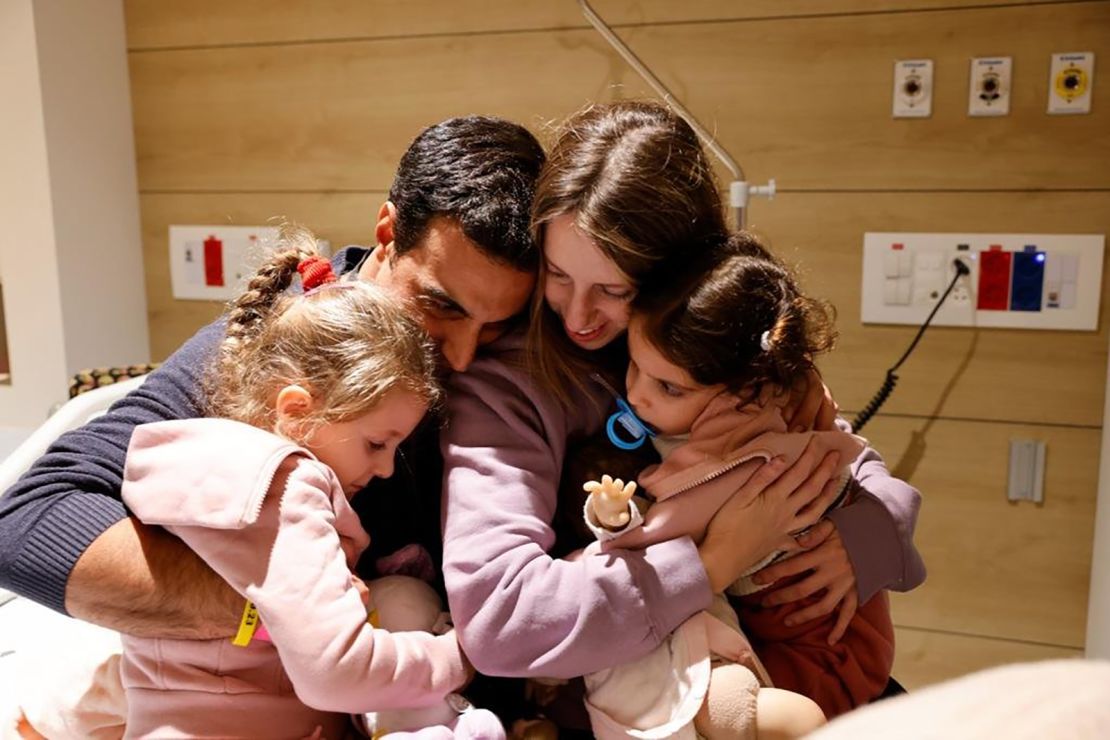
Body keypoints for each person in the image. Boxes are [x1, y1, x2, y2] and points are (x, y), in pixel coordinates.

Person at [0, 116, 544, 734]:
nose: (463, 358)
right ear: (388, 233)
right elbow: (28, 523)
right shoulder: (286, 346)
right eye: (440, 305)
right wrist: (278, 610)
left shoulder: (530, 356)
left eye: (499, 325)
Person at [439, 101, 925, 733]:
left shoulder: (717, 350)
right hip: (657, 697)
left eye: (614, 290)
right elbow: (501, 621)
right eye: (557, 276)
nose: (579, 316)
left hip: (809, 660)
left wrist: (862, 540)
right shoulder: (508, 388)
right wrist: (717, 559)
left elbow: (844, 459)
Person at [117, 225, 504, 737]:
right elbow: (335, 671)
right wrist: (457, 655)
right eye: (376, 443)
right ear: (297, 412)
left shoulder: (200, 467)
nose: (387, 468)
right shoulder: (288, 488)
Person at [577, 232, 904, 738]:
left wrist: (616, 534)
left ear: (746, 389)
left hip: (823, 646)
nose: (638, 396)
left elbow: (675, 523)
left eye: (668, 387)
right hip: (804, 629)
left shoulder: (747, 443)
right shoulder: (740, 394)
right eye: (634, 365)